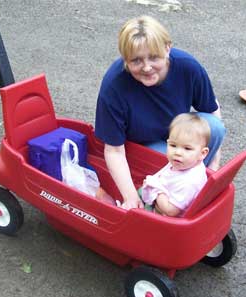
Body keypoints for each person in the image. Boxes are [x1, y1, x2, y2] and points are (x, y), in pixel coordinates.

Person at [95, 15, 225, 209]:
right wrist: (131, 198)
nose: (147, 67)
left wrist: (213, 166)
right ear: (125, 58)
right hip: (139, 148)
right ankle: (157, 199)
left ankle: (187, 188)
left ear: (167, 48)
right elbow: (114, 150)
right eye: (136, 61)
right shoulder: (114, 87)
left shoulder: (187, 67)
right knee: (165, 160)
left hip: (175, 137)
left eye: (154, 57)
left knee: (214, 127)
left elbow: (212, 110)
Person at [140, 113, 210, 217]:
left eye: (187, 148)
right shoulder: (183, 163)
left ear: (202, 153)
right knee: (139, 191)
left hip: (165, 217)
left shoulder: (189, 182)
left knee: (136, 212)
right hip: (165, 195)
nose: (177, 152)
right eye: (173, 145)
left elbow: (170, 211)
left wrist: (156, 189)